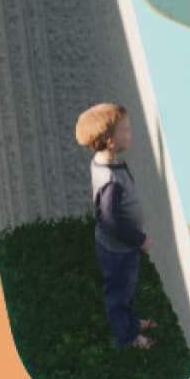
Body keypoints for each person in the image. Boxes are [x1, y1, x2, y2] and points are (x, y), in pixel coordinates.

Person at [75, 101, 154, 350]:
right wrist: (139, 239)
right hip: (119, 250)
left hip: (120, 248)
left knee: (126, 288)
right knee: (119, 294)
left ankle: (130, 321)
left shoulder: (107, 161)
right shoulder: (109, 178)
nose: (131, 133)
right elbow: (110, 222)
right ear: (109, 140)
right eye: (126, 129)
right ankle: (127, 337)